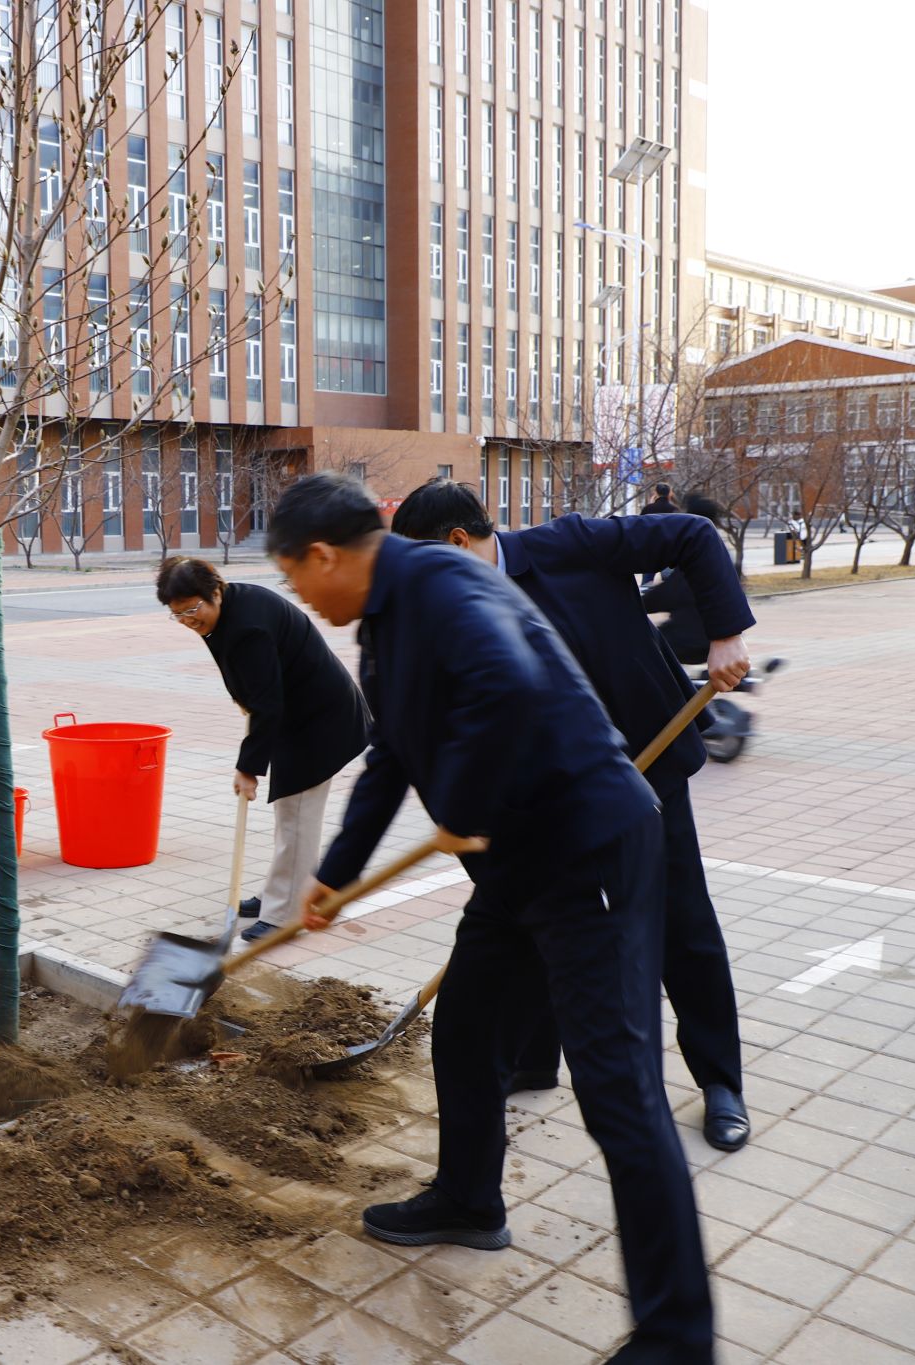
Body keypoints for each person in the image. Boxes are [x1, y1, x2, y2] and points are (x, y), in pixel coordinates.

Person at [271, 474, 713, 1363]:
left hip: (584, 847)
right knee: (466, 1029)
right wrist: (334, 874)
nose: (300, 597)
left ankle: (676, 1336)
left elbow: (505, 686)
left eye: (293, 577)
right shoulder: (388, 623)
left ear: (324, 556)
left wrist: (465, 801)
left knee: (618, 1093)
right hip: (515, 862)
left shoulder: (444, 584)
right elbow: (391, 752)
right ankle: (470, 1200)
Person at [394, 478, 755, 1153]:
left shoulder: (570, 545)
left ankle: (720, 1082)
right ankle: (535, 1058)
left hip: (644, 773)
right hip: (551, 793)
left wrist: (726, 632)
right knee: (538, 925)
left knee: (682, 926)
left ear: (458, 542)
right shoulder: (454, 607)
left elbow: (693, 536)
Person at [155, 556, 369, 939]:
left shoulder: (247, 625)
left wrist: (248, 768)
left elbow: (269, 703)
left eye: (191, 609)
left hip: (320, 721)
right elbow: (257, 687)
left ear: (215, 592)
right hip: (298, 712)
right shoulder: (229, 610)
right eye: (178, 614)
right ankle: (280, 891)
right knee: (291, 817)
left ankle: (285, 913)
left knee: (297, 815)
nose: (187, 620)